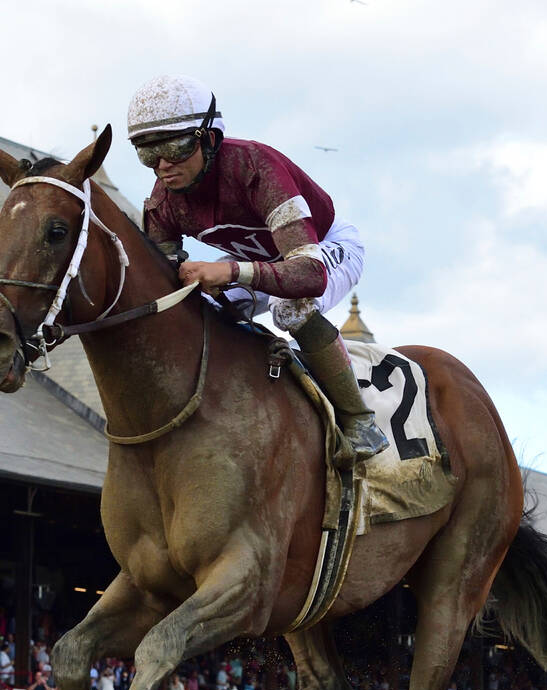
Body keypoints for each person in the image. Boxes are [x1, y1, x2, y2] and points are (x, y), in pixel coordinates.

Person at [126, 74, 387, 462]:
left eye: (176, 147)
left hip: (324, 246)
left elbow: (308, 276)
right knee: (199, 310)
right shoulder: (163, 201)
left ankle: (360, 421)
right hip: (264, 260)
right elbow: (162, 288)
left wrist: (231, 273)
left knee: (292, 308)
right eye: (148, 153)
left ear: (209, 138)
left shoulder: (255, 168)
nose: (163, 166)